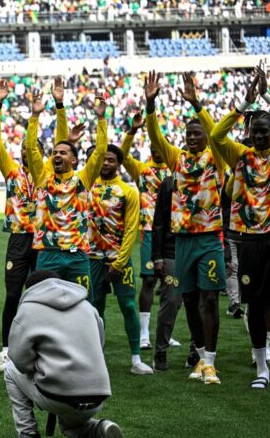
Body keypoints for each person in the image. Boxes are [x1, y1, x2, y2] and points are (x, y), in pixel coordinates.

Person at [209, 67, 270, 389]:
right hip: (248, 239)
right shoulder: (239, 157)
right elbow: (217, 135)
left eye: (265, 131)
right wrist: (244, 103)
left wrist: (269, 97)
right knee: (256, 303)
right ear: (248, 132)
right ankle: (262, 368)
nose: (259, 136)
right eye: (255, 131)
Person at [145, 70, 228, 385]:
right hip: (181, 242)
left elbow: (217, 133)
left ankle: (210, 362)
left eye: (197, 134)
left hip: (209, 239)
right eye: (188, 135)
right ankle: (201, 354)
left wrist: (197, 105)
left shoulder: (215, 159)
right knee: (191, 300)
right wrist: (150, 104)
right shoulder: (176, 159)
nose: (192, 138)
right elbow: (155, 137)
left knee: (209, 298)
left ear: (205, 138)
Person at [0, 78, 77, 371]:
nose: (29, 153)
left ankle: (43, 347)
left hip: (43, 240)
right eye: (26, 150)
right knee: (13, 294)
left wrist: (59, 105)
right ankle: (5, 349)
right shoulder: (11, 171)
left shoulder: (47, 172)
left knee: (42, 294)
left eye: (35, 150)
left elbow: (63, 139)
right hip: (18, 238)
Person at [3, 270, 123, 438]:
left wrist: (40, 365)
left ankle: (27, 433)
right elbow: (99, 347)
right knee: (70, 429)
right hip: (98, 395)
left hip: (58, 395)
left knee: (9, 370)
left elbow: (20, 362)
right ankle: (99, 429)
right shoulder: (88, 307)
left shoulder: (28, 310)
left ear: (31, 290)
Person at [25, 89, 108, 289]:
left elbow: (101, 151)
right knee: (47, 304)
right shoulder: (43, 178)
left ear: (73, 159)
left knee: (83, 302)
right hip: (48, 252)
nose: (57, 155)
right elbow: (30, 148)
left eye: (63, 152)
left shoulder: (83, 179)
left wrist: (101, 119)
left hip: (77, 254)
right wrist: (35, 116)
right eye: (54, 153)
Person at [87, 144, 153, 375]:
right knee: (95, 309)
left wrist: (119, 261)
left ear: (118, 163)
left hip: (119, 260)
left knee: (128, 305)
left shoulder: (128, 191)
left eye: (111, 160)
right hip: (92, 258)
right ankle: (96, 358)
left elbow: (131, 229)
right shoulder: (85, 187)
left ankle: (136, 359)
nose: (106, 163)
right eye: (102, 159)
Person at [120, 112, 173, 350]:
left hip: (172, 232)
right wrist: (132, 131)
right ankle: (143, 333)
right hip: (150, 231)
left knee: (173, 283)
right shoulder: (141, 170)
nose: (155, 150)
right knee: (149, 280)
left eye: (159, 146)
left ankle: (166, 332)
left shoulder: (175, 168)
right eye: (152, 146)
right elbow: (122, 154)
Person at [150, 175, 188, 371]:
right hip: (172, 250)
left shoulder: (212, 177)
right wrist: (157, 255)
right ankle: (161, 351)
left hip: (200, 247)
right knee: (171, 300)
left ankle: (197, 352)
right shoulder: (169, 182)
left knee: (201, 302)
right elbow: (159, 220)